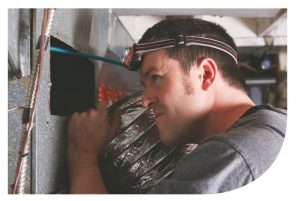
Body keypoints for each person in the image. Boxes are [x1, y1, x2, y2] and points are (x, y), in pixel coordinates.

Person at [67, 18, 286, 194]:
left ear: (205, 75)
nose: (145, 100)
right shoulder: (274, 129)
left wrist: (83, 156)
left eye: (156, 78)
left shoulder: (233, 156)